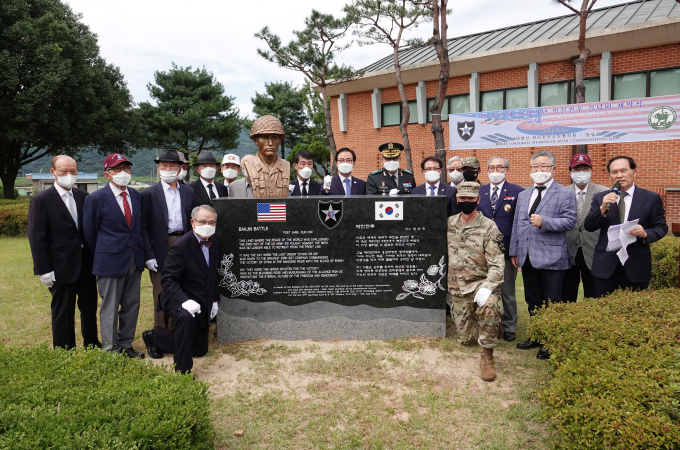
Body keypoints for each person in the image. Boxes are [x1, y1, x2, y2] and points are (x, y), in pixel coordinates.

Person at [28, 155, 101, 350]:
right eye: (64, 171)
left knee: (89, 307)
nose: (69, 175)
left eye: (73, 171)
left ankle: (92, 344)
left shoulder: (84, 197)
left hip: (85, 264)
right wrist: (43, 269)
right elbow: (37, 237)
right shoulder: (41, 200)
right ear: (53, 172)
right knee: (63, 311)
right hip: (60, 266)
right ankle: (64, 348)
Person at [509, 150, 576, 360]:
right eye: (535, 166)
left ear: (553, 168)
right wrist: (514, 250)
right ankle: (537, 336)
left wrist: (545, 222)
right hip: (527, 256)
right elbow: (516, 226)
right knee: (533, 300)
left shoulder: (564, 193)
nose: (539, 170)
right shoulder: (523, 195)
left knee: (553, 300)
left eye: (544, 166)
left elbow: (570, 221)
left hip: (552, 257)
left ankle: (551, 340)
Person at [142, 205, 220, 374]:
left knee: (200, 349)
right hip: (177, 297)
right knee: (186, 317)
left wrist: (214, 300)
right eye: (203, 221)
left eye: (211, 222)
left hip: (201, 299)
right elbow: (168, 279)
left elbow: (214, 275)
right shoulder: (181, 246)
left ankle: (155, 338)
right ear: (193, 223)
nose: (207, 224)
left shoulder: (214, 243)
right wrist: (184, 301)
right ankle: (182, 369)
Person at [82, 153, 145, 358]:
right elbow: (90, 234)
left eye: (126, 169)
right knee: (109, 305)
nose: (123, 173)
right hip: (109, 260)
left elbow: (138, 228)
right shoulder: (96, 199)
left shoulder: (136, 195)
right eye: (117, 169)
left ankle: (126, 344)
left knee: (131, 303)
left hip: (134, 258)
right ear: (107, 174)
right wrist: (104, 253)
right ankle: (110, 349)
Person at [584, 156, 667, 297]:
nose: (619, 175)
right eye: (614, 172)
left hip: (636, 263)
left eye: (623, 170)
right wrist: (602, 208)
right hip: (606, 263)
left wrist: (645, 233)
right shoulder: (600, 198)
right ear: (610, 175)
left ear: (634, 171)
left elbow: (661, 227)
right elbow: (589, 226)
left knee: (635, 311)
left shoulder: (650, 198)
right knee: (602, 310)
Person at [447, 182, 505, 382]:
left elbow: (497, 265)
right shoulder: (449, 223)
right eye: (462, 198)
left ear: (478, 200)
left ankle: (487, 355)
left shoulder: (489, 226)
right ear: (457, 199)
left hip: (479, 284)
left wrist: (488, 287)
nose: (466, 202)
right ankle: (489, 325)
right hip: (457, 288)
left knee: (489, 306)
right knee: (465, 340)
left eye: (470, 199)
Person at [141, 149, 195, 332]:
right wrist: (148, 254)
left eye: (173, 165)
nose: (168, 168)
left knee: (182, 285)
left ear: (180, 169)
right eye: (164, 165)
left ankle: (177, 330)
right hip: (161, 246)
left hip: (184, 242)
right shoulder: (147, 194)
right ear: (158, 169)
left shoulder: (188, 191)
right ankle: (160, 332)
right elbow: (143, 226)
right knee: (161, 290)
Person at [477, 156, 524, 342]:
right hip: (482, 252)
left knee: (508, 292)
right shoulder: (480, 191)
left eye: (500, 167)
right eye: (492, 168)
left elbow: (520, 224)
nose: (495, 171)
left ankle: (509, 326)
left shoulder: (518, 192)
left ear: (507, 170)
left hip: (505, 252)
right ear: (487, 171)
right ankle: (485, 324)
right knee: (484, 289)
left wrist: (515, 251)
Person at [563, 153, 607, 302]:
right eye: (577, 169)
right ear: (570, 172)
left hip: (594, 249)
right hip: (569, 249)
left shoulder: (603, 192)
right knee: (566, 295)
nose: (581, 172)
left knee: (594, 294)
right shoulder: (562, 192)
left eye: (585, 168)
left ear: (591, 170)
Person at [242, 115, 290, 198]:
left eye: (275, 138)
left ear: (279, 141)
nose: (270, 143)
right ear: (255, 141)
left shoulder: (286, 166)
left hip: (278, 210)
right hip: (260, 210)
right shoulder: (249, 165)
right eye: (264, 137)